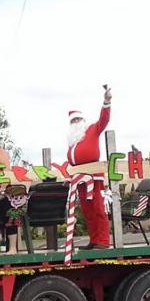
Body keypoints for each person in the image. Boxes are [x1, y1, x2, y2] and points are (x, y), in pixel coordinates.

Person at [66, 87, 113, 249]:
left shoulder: (92, 129)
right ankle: (94, 240)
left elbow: (104, 120)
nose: (76, 123)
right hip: (79, 178)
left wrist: (106, 102)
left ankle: (103, 241)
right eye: (73, 121)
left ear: (83, 120)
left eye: (78, 120)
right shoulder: (72, 141)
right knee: (87, 211)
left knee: (98, 207)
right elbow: (71, 161)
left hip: (94, 175)